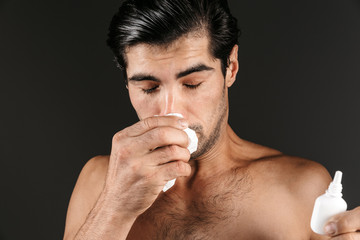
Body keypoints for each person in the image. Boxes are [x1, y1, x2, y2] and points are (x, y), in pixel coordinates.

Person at [63, 0, 360, 239]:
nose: (170, 110)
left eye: (192, 83)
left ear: (230, 68)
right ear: (127, 83)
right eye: (149, 88)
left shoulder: (299, 188)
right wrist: (115, 207)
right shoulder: (99, 182)